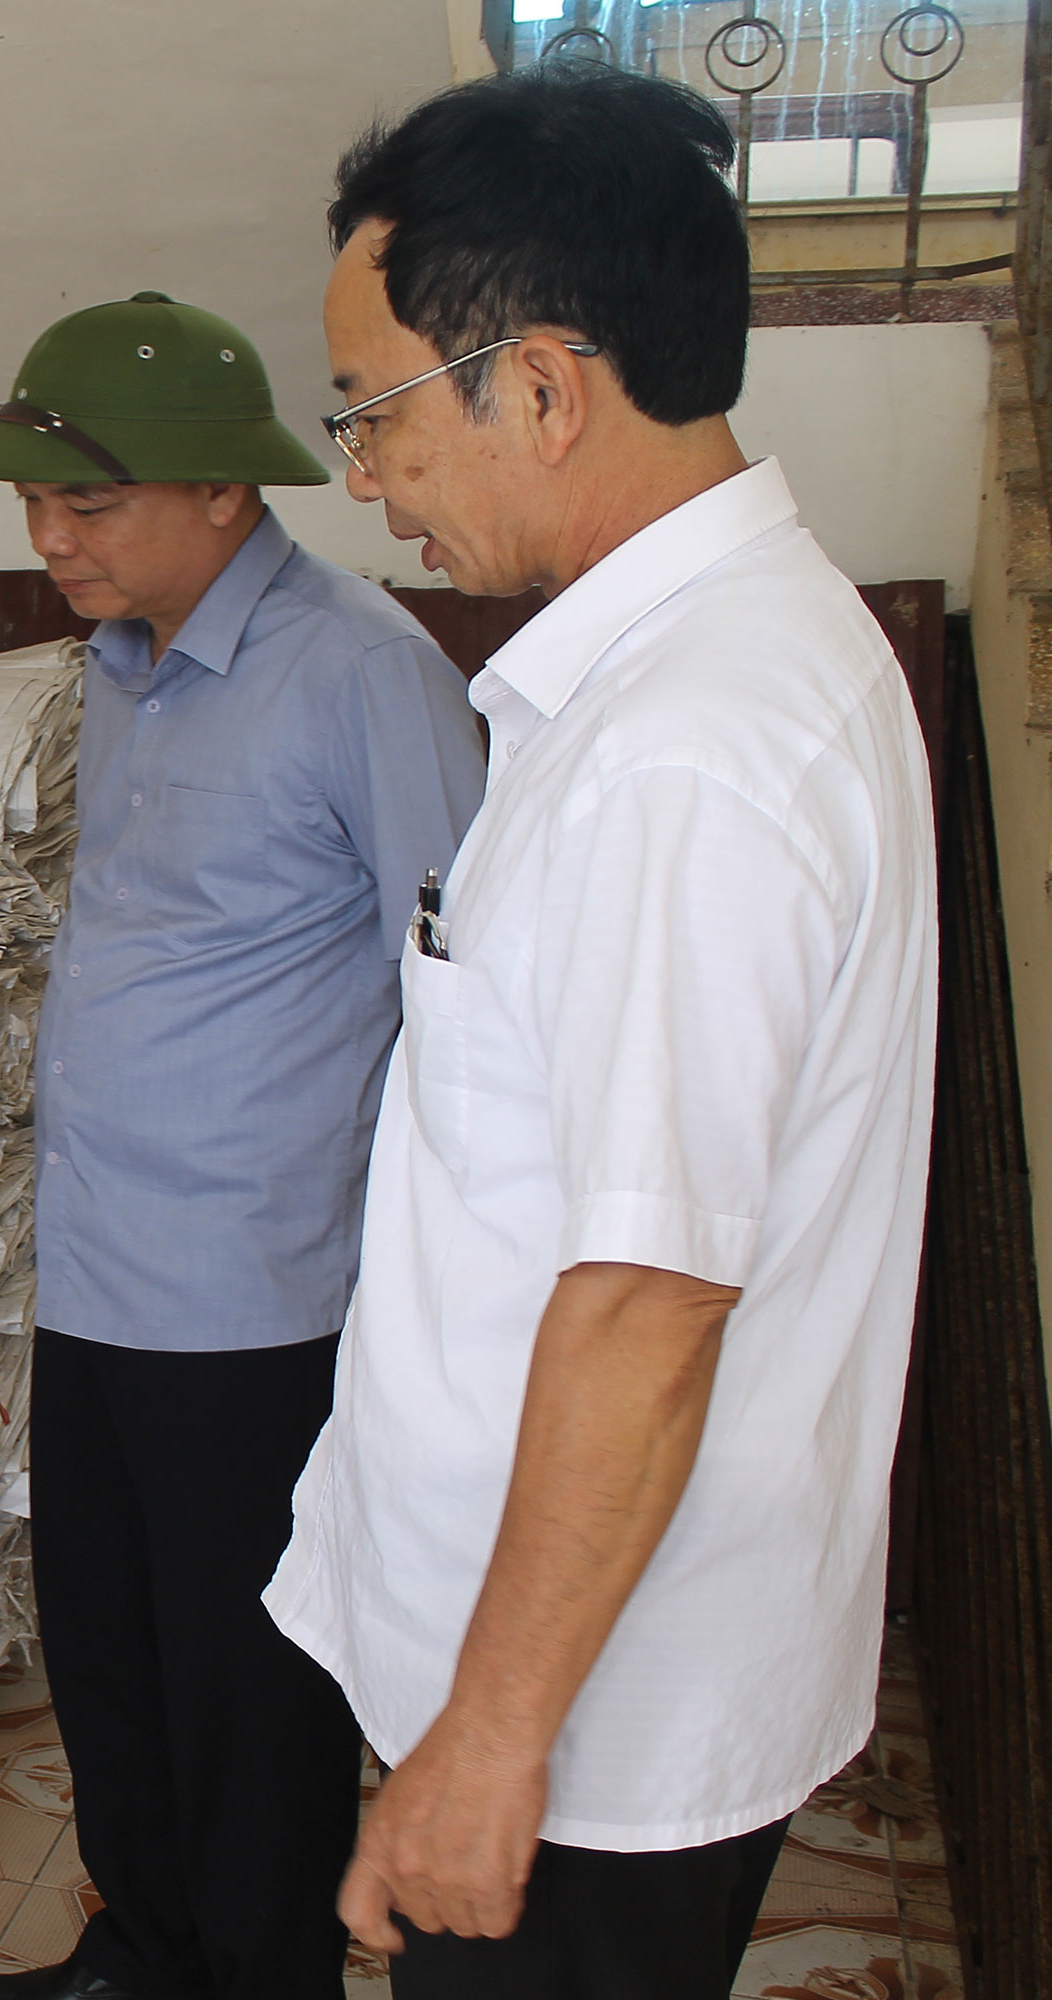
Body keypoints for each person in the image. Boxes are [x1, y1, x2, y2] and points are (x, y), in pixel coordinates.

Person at [262, 65, 936, 2000]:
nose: (364, 478)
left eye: (377, 412)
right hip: (560, 1666)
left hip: (581, 1732)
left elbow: (650, 1301)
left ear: (542, 389)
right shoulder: (705, 670)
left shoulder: (686, 759)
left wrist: (488, 1741)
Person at [0, 293, 487, 2000]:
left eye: (88, 504)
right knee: (110, 1651)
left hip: (258, 1297)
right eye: (34, 503)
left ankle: (258, 1975)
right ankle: (148, 1951)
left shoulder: (363, 676)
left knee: (249, 1690)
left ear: (227, 493)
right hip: (100, 1263)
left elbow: (469, 1001)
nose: (51, 538)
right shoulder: (127, 666)